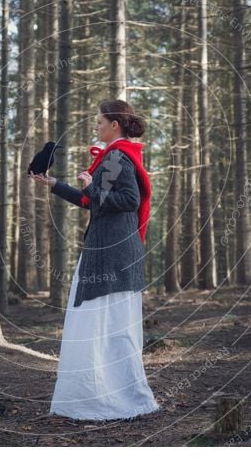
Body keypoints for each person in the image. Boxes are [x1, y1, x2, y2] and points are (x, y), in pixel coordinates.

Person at [30, 98, 160, 421]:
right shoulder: (113, 157)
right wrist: (53, 184)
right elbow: (92, 202)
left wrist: (94, 189)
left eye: (100, 121)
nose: (96, 126)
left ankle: (108, 399)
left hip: (113, 254)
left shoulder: (117, 156)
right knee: (100, 324)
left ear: (114, 125)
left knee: (106, 325)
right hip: (107, 250)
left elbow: (129, 200)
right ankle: (100, 395)